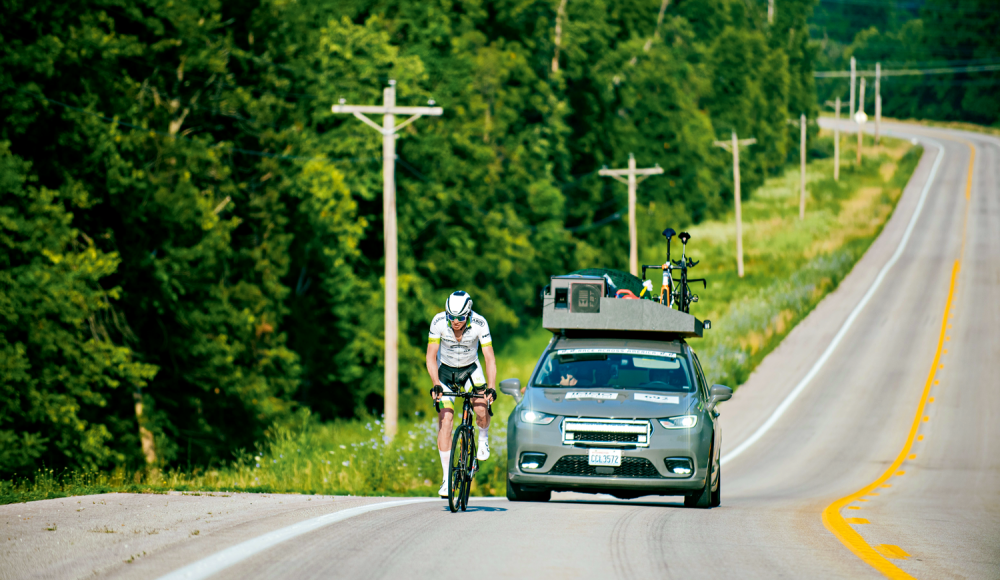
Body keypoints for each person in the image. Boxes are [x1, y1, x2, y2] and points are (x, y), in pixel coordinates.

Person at [427, 290, 497, 499]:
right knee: (446, 420)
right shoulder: (438, 322)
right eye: (451, 317)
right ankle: (447, 479)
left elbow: (489, 358)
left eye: (460, 318)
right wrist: (435, 384)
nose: (455, 321)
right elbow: (430, 356)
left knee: (481, 409)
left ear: (468, 313)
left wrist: (491, 386)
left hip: (470, 371)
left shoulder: (480, 323)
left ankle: (483, 437)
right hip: (446, 372)